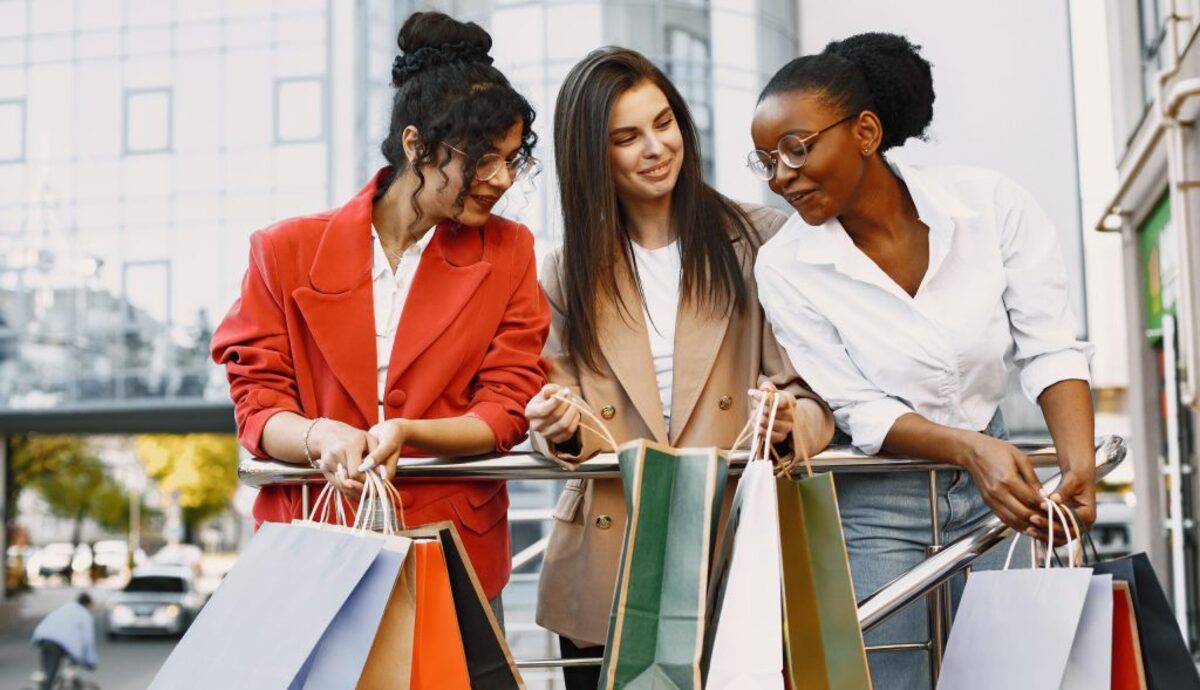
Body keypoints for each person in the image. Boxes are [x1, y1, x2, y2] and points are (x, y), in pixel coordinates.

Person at [750, 33, 1096, 688]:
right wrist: (968, 450)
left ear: (866, 131)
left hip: (1006, 488)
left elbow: (1050, 344)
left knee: (1016, 678)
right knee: (890, 681)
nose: (780, 177)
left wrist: (1076, 465)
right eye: (765, 160)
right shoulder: (787, 266)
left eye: (797, 149)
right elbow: (860, 407)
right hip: (878, 498)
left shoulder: (990, 206)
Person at [210, 11, 550, 619]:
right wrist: (320, 436)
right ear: (415, 144)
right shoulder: (284, 251)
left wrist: (409, 433)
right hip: (315, 548)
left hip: (457, 555)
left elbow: (506, 407)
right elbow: (258, 407)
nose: (502, 178)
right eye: (481, 159)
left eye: (510, 158)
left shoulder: (510, 251)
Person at [524, 47, 834, 690]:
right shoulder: (564, 271)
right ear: (592, 155)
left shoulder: (757, 240)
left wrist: (785, 421)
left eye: (664, 123)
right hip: (610, 557)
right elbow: (560, 407)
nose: (656, 147)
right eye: (626, 137)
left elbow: (815, 389)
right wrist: (555, 425)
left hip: (733, 545)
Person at [31, 592, 97, 690]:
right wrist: (91, 661)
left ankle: (50, 685)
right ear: (88, 604)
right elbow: (87, 641)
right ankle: (66, 683)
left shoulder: (65, 608)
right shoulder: (85, 614)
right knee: (69, 667)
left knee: (48, 672)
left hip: (44, 638)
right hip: (64, 643)